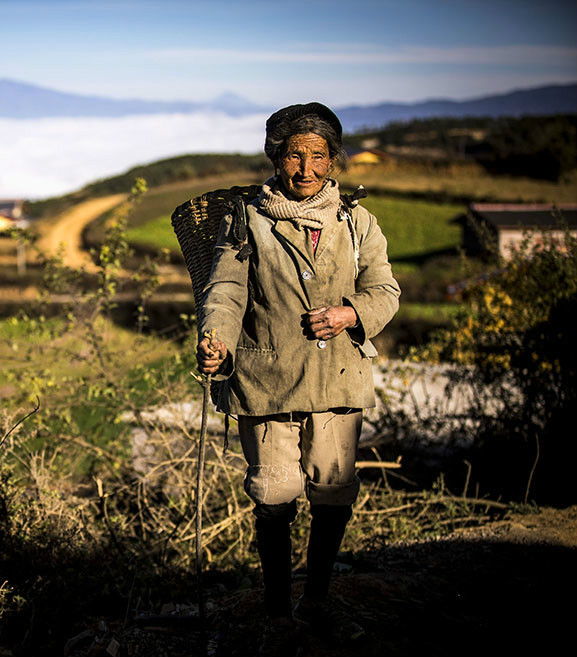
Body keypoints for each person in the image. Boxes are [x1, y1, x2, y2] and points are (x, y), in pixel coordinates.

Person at [195, 102, 399, 655]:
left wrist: (349, 313)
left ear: (334, 160)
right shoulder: (246, 217)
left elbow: (385, 290)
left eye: (317, 155)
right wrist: (215, 338)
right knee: (274, 493)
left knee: (332, 491)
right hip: (267, 377)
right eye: (293, 155)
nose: (305, 168)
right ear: (275, 157)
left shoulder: (357, 221)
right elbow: (227, 291)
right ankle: (278, 609)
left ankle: (319, 600)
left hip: (337, 376)